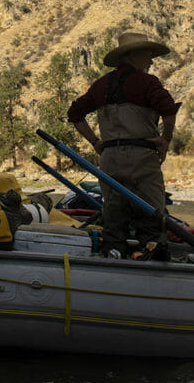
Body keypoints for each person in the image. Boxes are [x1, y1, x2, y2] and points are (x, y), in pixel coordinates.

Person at [67, 32, 180, 260]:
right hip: (142, 157)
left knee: (114, 211)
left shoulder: (100, 85)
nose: (151, 61)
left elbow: (75, 114)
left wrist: (96, 142)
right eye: (148, 55)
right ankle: (151, 254)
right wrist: (165, 140)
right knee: (151, 212)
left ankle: (114, 251)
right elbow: (168, 110)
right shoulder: (147, 82)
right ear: (133, 55)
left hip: (110, 159)